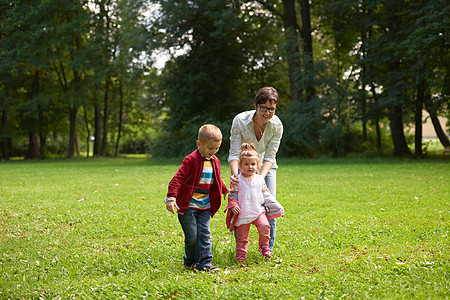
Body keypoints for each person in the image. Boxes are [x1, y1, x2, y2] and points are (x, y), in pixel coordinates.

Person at [164, 124, 228, 272]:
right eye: (210, 148)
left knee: (204, 234)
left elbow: (216, 179)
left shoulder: (215, 161)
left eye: (217, 148)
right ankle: (191, 261)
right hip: (188, 206)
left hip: (205, 205)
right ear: (199, 144)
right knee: (192, 236)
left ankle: (205, 263)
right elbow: (177, 179)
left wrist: (225, 190)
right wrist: (171, 198)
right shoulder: (190, 160)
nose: (213, 152)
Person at [228, 87, 283, 250]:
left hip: (266, 167)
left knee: (269, 203)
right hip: (243, 166)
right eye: (263, 108)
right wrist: (235, 175)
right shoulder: (240, 121)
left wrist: (260, 179)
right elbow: (234, 153)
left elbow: (270, 157)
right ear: (256, 106)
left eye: (271, 109)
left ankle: (268, 248)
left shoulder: (277, 125)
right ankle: (240, 247)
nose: (267, 113)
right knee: (240, 205)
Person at [225, 143, 284, 262]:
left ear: (257, 165)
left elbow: (266, 194)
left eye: (253, 164)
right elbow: (232, 195)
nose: (250, 167)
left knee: (265, 226)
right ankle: (241, 255)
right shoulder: (237, 180)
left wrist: (276, 206)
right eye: (246, 164)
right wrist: (233, 206)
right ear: (240, 165)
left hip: (258, 211)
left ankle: (264, 247)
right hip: (243, 213)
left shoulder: (259, 179)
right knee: (242, 237)